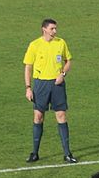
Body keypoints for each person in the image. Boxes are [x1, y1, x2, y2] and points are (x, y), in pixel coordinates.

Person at [23, 18, 77, 164]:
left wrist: (63, 74)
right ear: (44, 29)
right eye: (52, 28)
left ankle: (67, 154)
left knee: (61, 115)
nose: (55, 31)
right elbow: (28, 67)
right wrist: (28, 88)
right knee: (38, 117)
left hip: (57, 84)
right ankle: (35, 153)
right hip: (40, 84)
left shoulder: (61, 43)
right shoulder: (34, 45)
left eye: (55, 28)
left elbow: (68, 61)